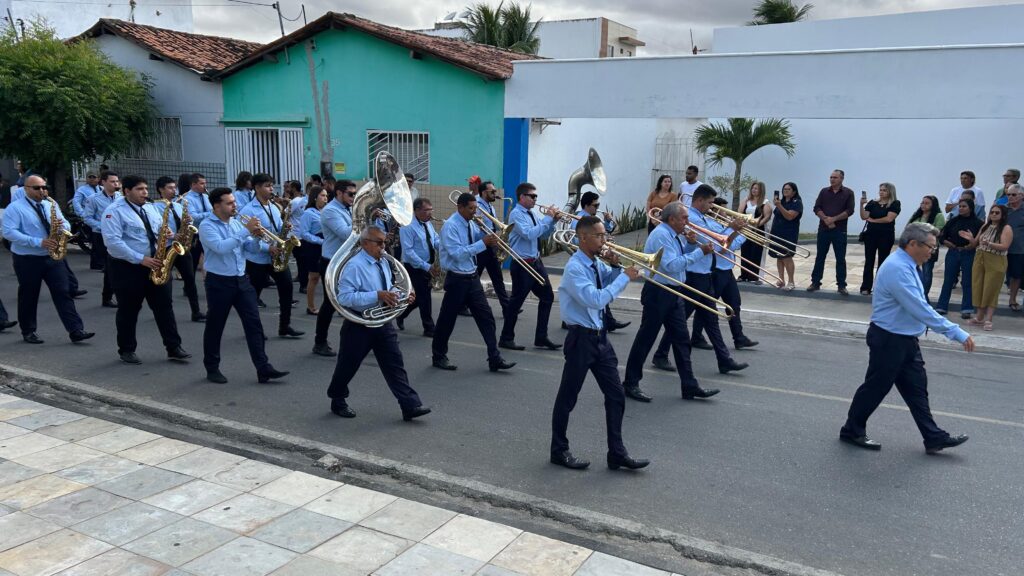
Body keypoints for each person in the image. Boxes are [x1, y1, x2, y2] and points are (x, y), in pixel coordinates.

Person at [839, 222, 973, 454]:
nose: (933, 252)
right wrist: (956, 332)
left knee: (917, 390)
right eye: (930, 247)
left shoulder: (912, 264)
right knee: (875, 388)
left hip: (906, 339)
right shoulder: (897, 269)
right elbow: (919, 307)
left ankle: (933, 437)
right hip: (889, 339)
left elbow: (919, 305)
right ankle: (851, 430)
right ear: (913, 244)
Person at [550, 215, 648, 472]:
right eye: (600, 235)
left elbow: (606, 279)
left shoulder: (594, 262)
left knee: (616, 395)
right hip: (580, 339)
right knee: (568, 398)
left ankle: (616, 452)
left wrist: (616, 267)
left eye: (605, 235)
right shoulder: (575, 268)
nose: (605, 240)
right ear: (583, 238)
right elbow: (596, 299)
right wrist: (624, 277)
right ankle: (558, 450)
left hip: (600, 338)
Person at [327, 227, 431, 421]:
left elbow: (388, 286)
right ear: (365, 243)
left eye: (385, 242)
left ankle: (410, 405)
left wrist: (401, 295)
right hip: (359, 325)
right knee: (347, 366)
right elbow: (344, 298)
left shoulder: (383, 261)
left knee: (395, 365)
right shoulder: (354, 265)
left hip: (382, 324)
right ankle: (337, 398)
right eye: (379, 243)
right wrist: (377, 295)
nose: (384, 247)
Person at [622, 201, 718, 402]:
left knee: (682, 340)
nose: (687, 221)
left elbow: (677, 256)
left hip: (673, 292)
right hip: (659, 292)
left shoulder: (673, 234)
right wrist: (700, 252)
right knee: (646, 338)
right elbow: (671, 265)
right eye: (684, 218)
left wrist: (691, 244)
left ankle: (689, 385)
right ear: (672, 219)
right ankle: (630, 383)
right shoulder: (661, 235)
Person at [198, 187, 289, 384]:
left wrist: (256, 237)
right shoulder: (207, 226)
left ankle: (263, 367)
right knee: (215, 326)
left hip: (241, 279)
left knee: (254, 324)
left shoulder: (236, 223)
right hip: (219, 281)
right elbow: (221, 248)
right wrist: (246, 231)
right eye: (229, 203)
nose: (235, 206)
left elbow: (248, 246)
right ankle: (212, 367)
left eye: (234, 202)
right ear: (216, 206)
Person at [101, 175, 190, 365]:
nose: (145, 193)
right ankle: (126, 349)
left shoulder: (150, 208)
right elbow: (113, 243)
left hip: (156, 262)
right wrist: (141, 259)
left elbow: (158, 230)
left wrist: (167, 235)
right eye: (140, 189)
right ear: (127, 191)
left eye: (146, 189)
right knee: (129, 310)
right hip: (128, 267)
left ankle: (173, 347)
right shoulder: (114, 211)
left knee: (164, 308)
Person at [1, 175, 94, 345]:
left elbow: (65, 223)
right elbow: (9, 232)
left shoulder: (50, 204)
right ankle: (28, 331)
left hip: (52, 257)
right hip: (27, 258)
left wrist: (63, 227)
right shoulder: (15, 208)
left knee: (63, 292)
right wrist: (38, 242)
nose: (42, 191)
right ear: (26, 189)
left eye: (44, 187)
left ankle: (76, 330)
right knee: (29, 295)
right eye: (37, 188)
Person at [431, 193, 516, 372]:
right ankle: (438, 356)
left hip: (472, 277)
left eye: (475, 208)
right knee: (447, 320)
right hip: (456, 278)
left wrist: (490, 236)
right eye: (471, 209)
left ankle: (494, 357)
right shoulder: (450, 226)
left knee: (487, 318)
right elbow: (457, 254)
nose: (474, 212)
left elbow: (476, 242)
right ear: (460, 207)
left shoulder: (469, 222)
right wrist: (483, 243)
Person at [680, 186, 750, 374]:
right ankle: (661, 354)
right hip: (694, 274)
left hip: (705, 273)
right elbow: (718, 246)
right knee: (679, 320)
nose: (712, 207)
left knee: (711, 320)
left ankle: (724, 359)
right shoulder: (692, 218)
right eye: (710, 202)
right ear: (700, 200)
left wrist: (734, 230)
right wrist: (731, 229)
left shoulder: (702, 217)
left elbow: (723, 243)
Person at [238, 173, 304, 339]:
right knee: (254, 296)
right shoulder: (248, 210)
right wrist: (268, 247)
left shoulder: (274, 207)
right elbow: (246, 240)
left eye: (272, 185)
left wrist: (285, 228)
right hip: (257, 259)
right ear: (257, 187)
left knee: (287, 287)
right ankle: (254, 329)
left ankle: (285, 325)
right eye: (267, 186)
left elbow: (277, 228)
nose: (271, 189)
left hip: (276, 257)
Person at [499, 183, 562, 351]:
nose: (535, 199)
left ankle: (541, 336)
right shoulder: (516, 214)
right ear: (522, 197)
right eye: (532, 196)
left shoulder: (531, 213)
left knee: (547, 297)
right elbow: (528, 234)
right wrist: (548, 218)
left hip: (535, 262)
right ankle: (506, 337)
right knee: (516, 302)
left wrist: (552, 222)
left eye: (536, 196)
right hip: (522, 264)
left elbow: (542, 234)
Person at [692, 197, 758, 350]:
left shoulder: (724, 225)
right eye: (724, 210)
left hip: (727, 269)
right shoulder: (713, 226)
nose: (727, 215)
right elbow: (725, 246)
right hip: (716, 269)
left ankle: (739, 337)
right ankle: (696, 336)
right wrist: (739, 233)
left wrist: (739, 230)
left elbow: (731, 242)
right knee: (707, 306)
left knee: (734, 303)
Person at [569, 191, 630, 331]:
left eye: (598, 205)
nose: (598, 208)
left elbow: (607, 230)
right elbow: (578, 240)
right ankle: (607, 320)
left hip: (592, 257)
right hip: (582, 258)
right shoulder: (578, 220)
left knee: (598, 286)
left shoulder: (593, 218)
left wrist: (608, 222)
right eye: (595, 205)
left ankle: (608, 320)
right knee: (595, 290)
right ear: (586, 205)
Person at [313, 179, 356, 356]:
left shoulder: (350, 208)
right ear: (339, 193)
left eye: (355, 194)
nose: (354, 197)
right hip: (332, 262)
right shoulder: (330, 211)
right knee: (331, 304)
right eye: (351, 194)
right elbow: (346, 234)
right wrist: (365, 215)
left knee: (354, 300)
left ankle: (360, 339)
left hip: (349, 261)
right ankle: (319, 342)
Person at [154, 177, 205, 322]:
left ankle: (196, 312)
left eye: (174, 187)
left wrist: (188, 222)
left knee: (190, 279)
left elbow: (185, 223)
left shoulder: (178, 206)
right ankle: (164, 311)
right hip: (166, 247)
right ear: (161, 189)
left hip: (181, 247)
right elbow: (158, 226)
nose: (174, 191)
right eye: (170, 188)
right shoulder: (154, 207)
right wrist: (172, 234)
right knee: (165, 280)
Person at [961, 205, 1013, 330]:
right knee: (978, 286)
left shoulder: (1006, 228)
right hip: (980, 257)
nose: (993, 214)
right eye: (992, 212)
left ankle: (988, 319)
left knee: (991, 288)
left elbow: (1005, 246)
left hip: (996, 259)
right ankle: (979, 317)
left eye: (997, 212)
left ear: (1003, 215)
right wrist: (971, 239)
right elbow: (976, 243)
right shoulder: (985, 226)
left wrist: (989, 243)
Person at [396, 198, 439, 335]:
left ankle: (401, 314)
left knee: (421, 297)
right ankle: (429, 327)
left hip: (428, 264)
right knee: (425, 297)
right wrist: (426, 266)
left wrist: (444, 244)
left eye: (431, 210)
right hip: (415, 266)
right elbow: (408, 252)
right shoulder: (407, 226)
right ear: (417, 210)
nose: (430, 213)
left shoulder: (427, 223)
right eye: (427, 210)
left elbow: (435, 239)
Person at [808, 170, 855, 294]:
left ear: (841, 179)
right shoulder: (824, 191)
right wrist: (825, 218)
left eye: (835, 177)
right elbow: (816, 207)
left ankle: (841, 285)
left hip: (839, 230)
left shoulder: (848, 193)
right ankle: (815, 282)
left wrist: (834, 219)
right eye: (831, 177)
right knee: (820, 257)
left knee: (840, 258)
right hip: (824, 229)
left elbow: (850, 210)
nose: (832, 179)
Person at [935, 198, 983, 318]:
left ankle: (967, 308)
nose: (961, 208)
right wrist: (946, 242)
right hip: (953, 252)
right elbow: (942, 236)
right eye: (960, 206)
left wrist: (971, 244)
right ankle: (942, 306)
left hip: (969, 253)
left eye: (964, 206)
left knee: (967, 281)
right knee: (948, 280)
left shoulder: (978, 223)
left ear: (970, 208)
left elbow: (980, 241)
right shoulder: (953, 221)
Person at [84, 170, 121, 307]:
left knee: (119, 265)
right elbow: (87, 218)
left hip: (118, 234)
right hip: (101, 235)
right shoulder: (93, 199)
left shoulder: (120, 197)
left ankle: (120, 294)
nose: (115, 184)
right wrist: (103, 226)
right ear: (103, 182)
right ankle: (107, 297)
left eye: (117, 181)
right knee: (110, 267)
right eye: (112, 181)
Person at [858, 182, 902, 295]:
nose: (881, 192)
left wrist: (873, 221)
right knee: (869, 261)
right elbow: (864, 217)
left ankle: (879, 287)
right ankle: (866, 287)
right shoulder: (873, 203)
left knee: (883, 262)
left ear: (890, 192)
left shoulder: (895, 203)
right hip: (871, 235)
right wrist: (861, 205)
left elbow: (889, 219)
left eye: (884, 190)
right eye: (880, 190)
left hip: (885, 236)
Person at [474, 180, 511, 314]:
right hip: (481, 247)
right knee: (474, 278)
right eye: (492, 192)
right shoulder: (477, 206)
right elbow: (477, 229)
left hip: (491, 246)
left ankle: (507, 308)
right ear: (484, 192)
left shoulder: (490, 206)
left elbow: (491, 224)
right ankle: (463, 304)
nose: (495, 194)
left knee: (497, 277)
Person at [906, 195, 944, 299]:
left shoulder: (938, 215)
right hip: (914, 248)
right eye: (922, 203)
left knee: (927, 271)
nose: (923, 205)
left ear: (933, 205)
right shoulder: (917, 215)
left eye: (927, 203)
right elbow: (909, 227)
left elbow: (938, 231)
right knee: (913, 270)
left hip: (928, 248)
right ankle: (914, 292)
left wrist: (920, 228)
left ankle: (924, 295)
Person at [299, 185, 327, 315]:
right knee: (314, 277)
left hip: (326, 246)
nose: (325, 198)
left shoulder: (326, 211)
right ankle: (310, 306)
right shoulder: (308, 213)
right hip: (313, 248)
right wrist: (320, 241)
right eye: (322, 195)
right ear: (315, 197)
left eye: (326, 195)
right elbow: (304, 233)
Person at [769, 182, 803, 290]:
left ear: (794, 191)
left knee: (787, 257)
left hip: (788, 234)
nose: (785, 191)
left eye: (788, 189)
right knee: (779, 257)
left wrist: (779, 205)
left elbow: (789, 216)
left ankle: (791, 281)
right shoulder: (781, 201)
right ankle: (781, 279)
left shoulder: (797, 202)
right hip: (777, 232)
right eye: (784, 189)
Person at [737, 181, 772, 283]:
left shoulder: (765, 202)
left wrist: (757, 224)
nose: (754, 190)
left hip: (759, 230)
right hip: (746, 230)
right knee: (745, 252)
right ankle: (744, 275)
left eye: (756, 188)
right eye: (753, 188)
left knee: (756, 253)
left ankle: (755, 277)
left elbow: (767, 217)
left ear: (761, 190)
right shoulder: (746, 201)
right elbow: (739, 212)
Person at [183, 173, 212, 274]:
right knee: (193, 263)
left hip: (207, 231)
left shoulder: (205, 196)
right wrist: (211, 213)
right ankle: (190, 288)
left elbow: (210, 210)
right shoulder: (187, 198)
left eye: (205, 183)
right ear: (193, 184)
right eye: (202, 183)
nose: (205, 186)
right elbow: (193, 217)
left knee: (211, 259)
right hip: (195, 234)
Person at [72, 173, 103, 270]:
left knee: (98, 241)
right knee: (95, 240)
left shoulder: (101, 189)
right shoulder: (82, 190)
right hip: (90, 218)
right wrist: (82, 214)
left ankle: (97, 263)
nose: (92, 179)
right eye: (90, 177)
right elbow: (76, 202)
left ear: (98, 179)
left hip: (99, 217)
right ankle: (97, 263)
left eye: (94, 177)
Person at [286, 180, 309, 294]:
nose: (287, 189)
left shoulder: (294, 202)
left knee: (300, 261)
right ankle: (301, 279)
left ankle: (303, 284)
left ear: (294, 188)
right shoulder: (305, 199)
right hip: (303, 234)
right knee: (302, 260)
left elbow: (285, 215)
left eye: (289, 187)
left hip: (295, 234)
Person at [1004, 184, 1024, 312]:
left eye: (1013, 195)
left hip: (1019, 249)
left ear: (1021, 196)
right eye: (1008, 195)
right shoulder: (1003, 210)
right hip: (1001, 248)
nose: (1010, 197)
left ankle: (1012, 299)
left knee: (1016, 276)